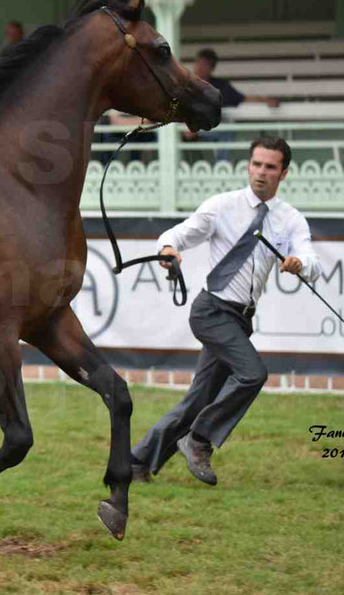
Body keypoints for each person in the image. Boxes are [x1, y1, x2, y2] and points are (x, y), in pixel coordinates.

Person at [131, 137, 321, 486]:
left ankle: (137, 461)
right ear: (248, 166)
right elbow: (177, 234)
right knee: (253, 374)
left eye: (270, 167)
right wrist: (169, 249)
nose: (261, 173)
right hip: (211, 311)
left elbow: (311, 259)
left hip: (240, 319)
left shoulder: (290, 219)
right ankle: (199, 440)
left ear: (284, 173)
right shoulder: (223, 206)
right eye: (256, 164)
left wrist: (299, 263)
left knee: (198, 399)